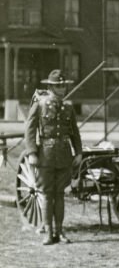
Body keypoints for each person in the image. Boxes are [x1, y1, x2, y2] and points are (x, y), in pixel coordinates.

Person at [24, 69, 83, 245]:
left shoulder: (68, 107)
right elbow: (30, 129)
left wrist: (78, 152)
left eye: (64, 85)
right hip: (45, 155)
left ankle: (60, 232)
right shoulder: (40, 104)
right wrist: (32, 152)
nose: (62, 89)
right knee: (48, 195)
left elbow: (74, 131)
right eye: (59, 86)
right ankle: (49, 232)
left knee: (60, 194)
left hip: (64, 155)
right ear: (50, 86)